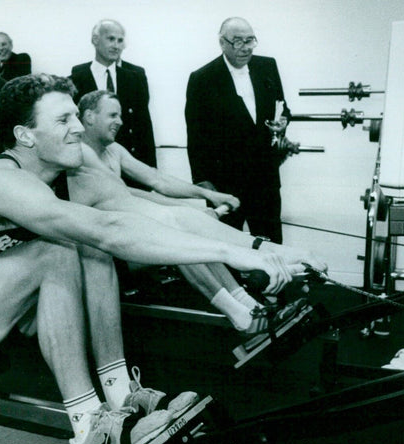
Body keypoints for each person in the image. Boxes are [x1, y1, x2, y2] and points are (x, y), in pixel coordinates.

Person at [0, 74, 325, 444]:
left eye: (76, 117)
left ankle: (119, 393)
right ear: (25, 135)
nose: (78, 128)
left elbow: (165, 216)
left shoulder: (76, 168)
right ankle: (90, 435)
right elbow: (111, 230)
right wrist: (230, 254)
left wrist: (265, 249)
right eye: (63, 120)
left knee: (87, 244)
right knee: (60, 247)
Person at [77, 90, 294, 333]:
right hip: (102, 252)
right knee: (176, 237)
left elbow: (157, 180)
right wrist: (194, 210)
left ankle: (245, 304)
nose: (121, 121)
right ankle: (238, 312)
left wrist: (209, 195)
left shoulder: (113, 150)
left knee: (187, 233)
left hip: (126, 240)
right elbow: (138, 197)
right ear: (89, 117)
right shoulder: (78, 156)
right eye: (113, 115)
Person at [185, 17, 287, 243]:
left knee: (271, 245)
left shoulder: (267, 66)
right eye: (238, 41)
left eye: (250, 40)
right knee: (226, 248)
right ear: (222, 43)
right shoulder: (202, 79)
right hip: (226, 185)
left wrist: (283, 121)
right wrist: (203, 183)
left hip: (265, 181)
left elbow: (282, 107)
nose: (246, 47)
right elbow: (195, 136)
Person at [70, 19, 156, 170]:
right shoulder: (76, 79)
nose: (116, 46)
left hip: (129, 164)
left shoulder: (134, 78)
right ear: (95, 40)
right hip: (89, 165)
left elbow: (143, 125)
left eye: (120, 41)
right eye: (111, 39)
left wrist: (150, 167)